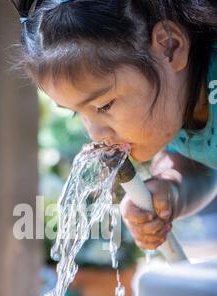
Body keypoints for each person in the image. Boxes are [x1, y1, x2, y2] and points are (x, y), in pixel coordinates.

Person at [11, 0, 217, 250]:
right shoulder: (171, 105)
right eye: (78, 114)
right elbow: (199, 163)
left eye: (104, 106)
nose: (96, 135)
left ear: (169, 47)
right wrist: (172, 190)